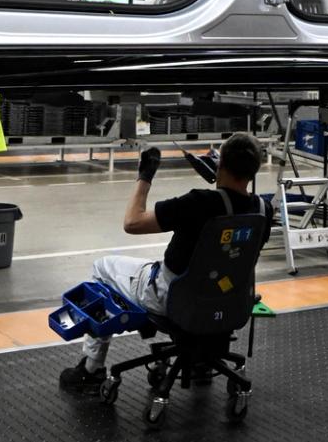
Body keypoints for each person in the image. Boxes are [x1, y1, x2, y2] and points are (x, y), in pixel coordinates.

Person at [59, 132, 268, 392]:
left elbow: (132, 223)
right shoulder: (262, 210)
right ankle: (202, 361)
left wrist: (145, 175)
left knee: (102, 268)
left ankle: (92, 368)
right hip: (229, 301)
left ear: (220, 164)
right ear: (254, 170)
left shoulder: (197, 202)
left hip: (171, 299)